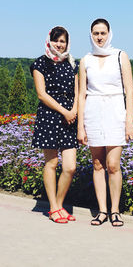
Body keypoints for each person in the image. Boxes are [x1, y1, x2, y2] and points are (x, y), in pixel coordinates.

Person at [78, 18, 133, 226]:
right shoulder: (85, 60)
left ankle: (115, 210)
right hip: (93, 112)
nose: (99, 37)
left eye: (103, 33)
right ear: (91, 35)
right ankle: (102, 210)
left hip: (115, 112)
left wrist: (129, 121)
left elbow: (129, 91)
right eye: (95, 33)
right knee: (97, 163)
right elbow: (82, 93)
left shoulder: (120, 56)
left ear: (109, 33)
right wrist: (80, 126)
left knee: (113, 164)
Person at [30, 26, 78, 223]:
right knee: (51, 163)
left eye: (63, 41)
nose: (60, 44)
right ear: (49, 41)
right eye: (56, 40)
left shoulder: (72, 63)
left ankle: (59, 204)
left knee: (70, 167)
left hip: (70, 117)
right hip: (49, 116)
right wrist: (65, 111)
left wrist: (74, 110)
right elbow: (42, 94)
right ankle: (54, 207)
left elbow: (78, 91)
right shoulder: (40, 63)